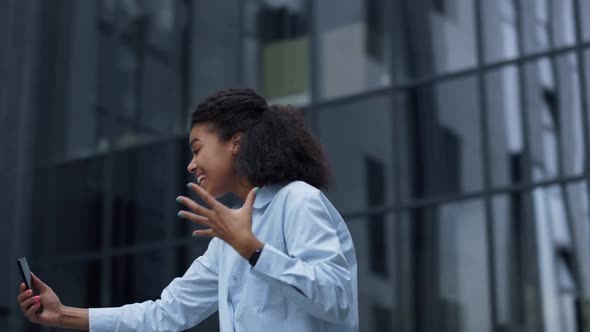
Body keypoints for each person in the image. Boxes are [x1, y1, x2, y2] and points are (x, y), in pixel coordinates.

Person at [17, 88, 358, 331]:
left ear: (235, 142)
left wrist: (253, 249)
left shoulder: (297, 200)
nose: (191, 165)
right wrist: (63, 315)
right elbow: (164, 315)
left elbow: (338, 298)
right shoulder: (227, 240)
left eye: (198, 149)